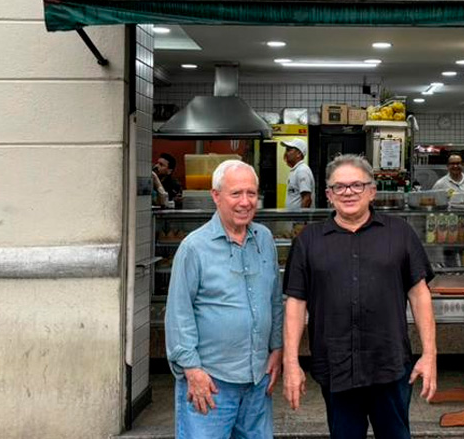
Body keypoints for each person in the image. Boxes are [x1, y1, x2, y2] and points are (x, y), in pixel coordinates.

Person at [282, 154, 436, 439]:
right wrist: (291, 364)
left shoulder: (399, 233)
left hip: (389, 364)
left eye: (357, 185)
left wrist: (430, 355)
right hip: (335, 364)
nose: (348, 192)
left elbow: (419, 295)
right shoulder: (308, 241)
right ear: (328, 195)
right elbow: (295, 304)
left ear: (372, 191)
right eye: (339, 187)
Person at [165, 160, 283, 439]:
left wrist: (276, 349)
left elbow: (274, 299)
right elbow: (179, 313)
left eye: (251, 193)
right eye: (236, 193)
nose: (245, 202)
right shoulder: (194, 247)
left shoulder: (264, 239)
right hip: (210, 382)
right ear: (216, 196)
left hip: (257, 380)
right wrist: (191, 370)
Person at [281, 138, 314, 209]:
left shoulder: (302, 170)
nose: (286, 153)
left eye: (289, 150)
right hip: (293, 219)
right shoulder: (296, 170)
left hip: (298, 219)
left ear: (299, 154)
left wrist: (300, 218)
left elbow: (307, 199)